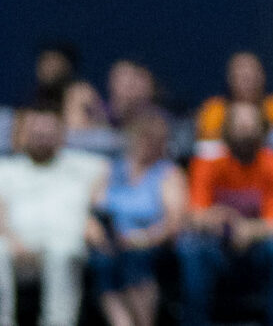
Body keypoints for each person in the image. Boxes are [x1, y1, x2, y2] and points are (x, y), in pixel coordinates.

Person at [177, 103, 273, 326]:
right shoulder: (207, 162)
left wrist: (248, 230)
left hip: (258, 249)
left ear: (263, 130)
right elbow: (195, 215)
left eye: (251, 126)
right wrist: (223, 220)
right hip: (217, 247)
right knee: (190, 246)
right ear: (226, 131)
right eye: (239, 126)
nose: (245, 133)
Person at [0, 103, 108, 326]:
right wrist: (12, 239)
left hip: (63, 241)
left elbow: (107, 172)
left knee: (63, 251)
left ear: (61, 135)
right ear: (24, 134)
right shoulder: (6, 169)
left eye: (48, 133)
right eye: (36, 133)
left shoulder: (80, 165)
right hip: (16, 244)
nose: (42, 138)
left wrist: (92, 214)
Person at [88, 106, 185, 326]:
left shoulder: (167, 173)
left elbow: (173, 223)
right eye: (143, 136)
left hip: (148, 244)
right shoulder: (111, 170)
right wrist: (97, 233)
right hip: (110, 243)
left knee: (133, 260)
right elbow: (93, 211)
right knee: (102, 262)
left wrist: (142, 239)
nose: (147, 143)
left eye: (154, 139)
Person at [192, 55, 273, 151]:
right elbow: (205, 146)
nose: (248, 81)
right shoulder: (213, 111)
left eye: (253, 75)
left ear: (263, 77)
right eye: (242, 76)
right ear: (229, 79)